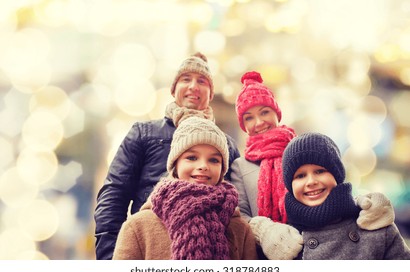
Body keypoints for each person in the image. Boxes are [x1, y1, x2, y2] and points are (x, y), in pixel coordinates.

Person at [230, 71, 395, 260]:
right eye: (249, 117)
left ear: (276, 112)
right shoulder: (240, 166)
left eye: (264, 112)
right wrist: (265, 231)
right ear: (243, 124)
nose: (258, 122)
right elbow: (240, 216)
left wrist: (365, 206)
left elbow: (333, 188)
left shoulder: (301, 150)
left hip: (313, 241)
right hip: (268, 255)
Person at [94, 52, 240, 260]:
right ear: (173, 89)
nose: (193, 86)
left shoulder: (227, 145)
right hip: (152, 248)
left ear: (210, 93)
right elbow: (114, 195)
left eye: (202, 81)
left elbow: (238, 205)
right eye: (185, 79)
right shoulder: (144, 134)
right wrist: (113, 258)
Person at [112, 117, 258, 260]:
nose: (203, 166)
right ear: (176, 165)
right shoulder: (138, 227)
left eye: (213, 160)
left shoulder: (240, 229)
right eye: (192, 158)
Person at [282, 132, 410, 259]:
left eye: (320, 171)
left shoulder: (375, 225)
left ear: (337, 175)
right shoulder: (282, 240)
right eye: (300, 176)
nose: (311, 182)